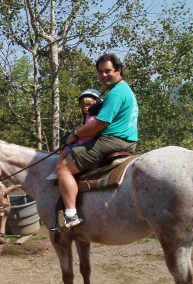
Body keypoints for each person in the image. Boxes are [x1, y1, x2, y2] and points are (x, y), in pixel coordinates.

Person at [52, 53, 138, 231]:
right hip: (127, 140)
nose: (104, 75)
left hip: (112, 140)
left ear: (119, 70)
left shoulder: (116, 93)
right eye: (101, 72)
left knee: (63, 168)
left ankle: (70, 214)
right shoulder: (124, 90)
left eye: (108, 71)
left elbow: (99, 123)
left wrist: (75, 134)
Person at [46, 88, 101, 181]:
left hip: (83, 143)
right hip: (82, 141)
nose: (86, 108)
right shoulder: (89, 118)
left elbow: (89, 133)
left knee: (64, 153)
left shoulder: (93, 119)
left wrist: (77, 135)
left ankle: (57, 171)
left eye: (89, 105)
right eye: (84, 106)